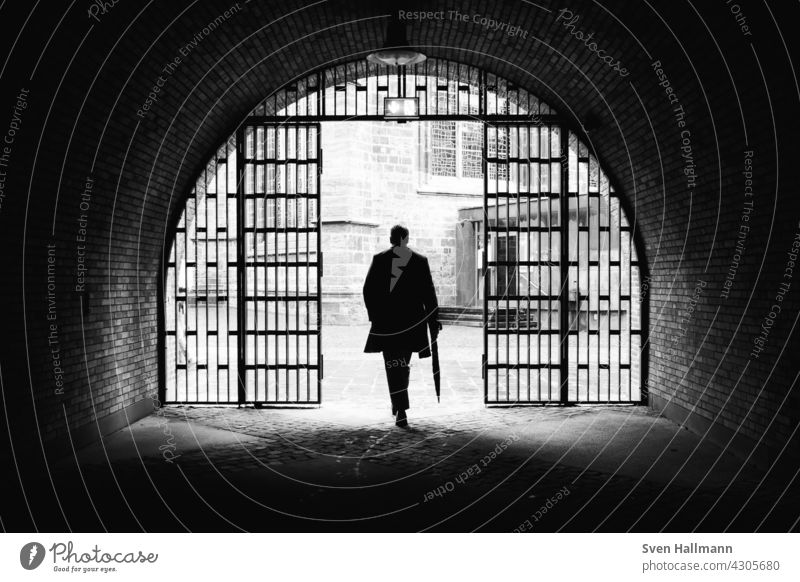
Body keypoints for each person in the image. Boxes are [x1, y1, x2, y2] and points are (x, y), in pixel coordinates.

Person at [363, 225, 441, 427]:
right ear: (406, 238)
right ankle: (400, 406)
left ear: (391, 238)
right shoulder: (419, 261)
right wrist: (433, 320)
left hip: (387, 324)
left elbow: (368, 290)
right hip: (411, 324)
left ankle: (399, 405)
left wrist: (375, 316)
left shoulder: (379, 259)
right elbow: (428, 293)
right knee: (402, 365)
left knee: (392, 365)